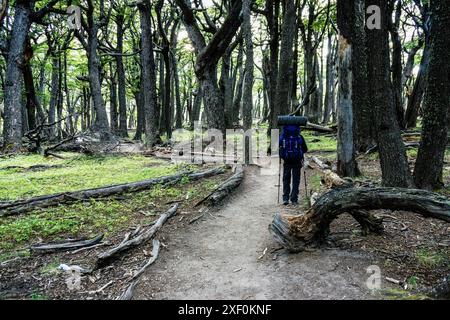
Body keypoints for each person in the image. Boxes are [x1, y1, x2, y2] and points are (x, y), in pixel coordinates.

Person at [279, 124, 308, 206]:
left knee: (286, 179)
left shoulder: (283, 136)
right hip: (297, 161)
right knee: (296, 180)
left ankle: (285, 198)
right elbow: (305, 149)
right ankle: (294, 199)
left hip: (287, 161)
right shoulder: (299, 137)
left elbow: (278, 145)